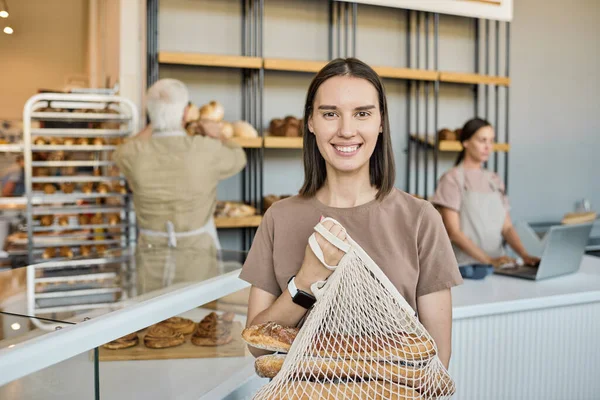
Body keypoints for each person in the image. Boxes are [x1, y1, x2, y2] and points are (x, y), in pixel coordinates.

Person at [238, 58, 463, 369]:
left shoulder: (421, 218)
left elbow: (438, 360)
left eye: (362, 114)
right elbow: (258, 347)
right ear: (311, 122)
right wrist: (307, 280)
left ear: (380, 122)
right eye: (330, 114)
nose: (346, 130)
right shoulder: (279, 218)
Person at [113, 78, 247, 293]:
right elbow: (238, 157)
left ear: (151, 113)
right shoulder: (205, 149)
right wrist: (217, 133)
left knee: (152, 319)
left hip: (150, 255)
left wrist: (155, 122)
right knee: (199, 319)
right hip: (198, 255)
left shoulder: (132, 154)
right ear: (185, 113)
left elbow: (121, 151)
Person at [430, 118, 540, 280]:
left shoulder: (494, 179)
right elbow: (453, 232)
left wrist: (525, 256)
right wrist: (488, 260)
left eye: (491, 141)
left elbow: (507, 228)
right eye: (482, 140)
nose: (488, 147)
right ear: (466, 142)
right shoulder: (452, 179)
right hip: (466, 268)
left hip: (500, 267)